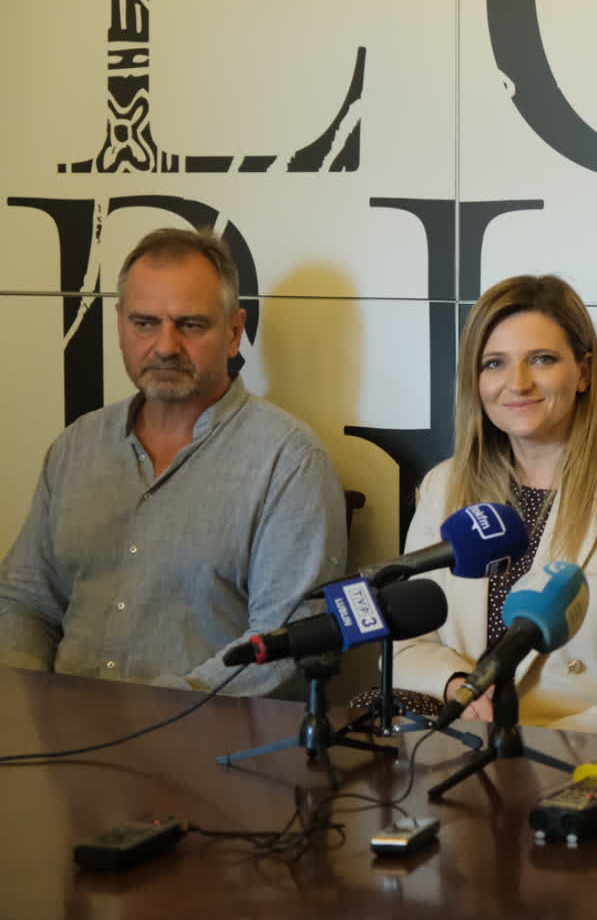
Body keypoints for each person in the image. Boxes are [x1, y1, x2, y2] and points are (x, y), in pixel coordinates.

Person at [0, 228, 347, 696]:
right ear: (120, 324)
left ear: (234, 332)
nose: (165, 346)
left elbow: (284, 646)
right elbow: (26, 603)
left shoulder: (287, 462)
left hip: (202, 735)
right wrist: (25, 702)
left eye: (190, 325)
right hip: (58, 727)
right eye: (144, 323)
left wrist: (144, 717)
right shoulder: (76, 447)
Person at [390, 275, 597, 738]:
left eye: (542, 359)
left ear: (584, 372)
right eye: (494, 363)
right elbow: (403, 646)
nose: (517, 383)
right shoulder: (446, 484)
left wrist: (538, 748)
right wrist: (459, 686)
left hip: (574, 750)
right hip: (456, 737)